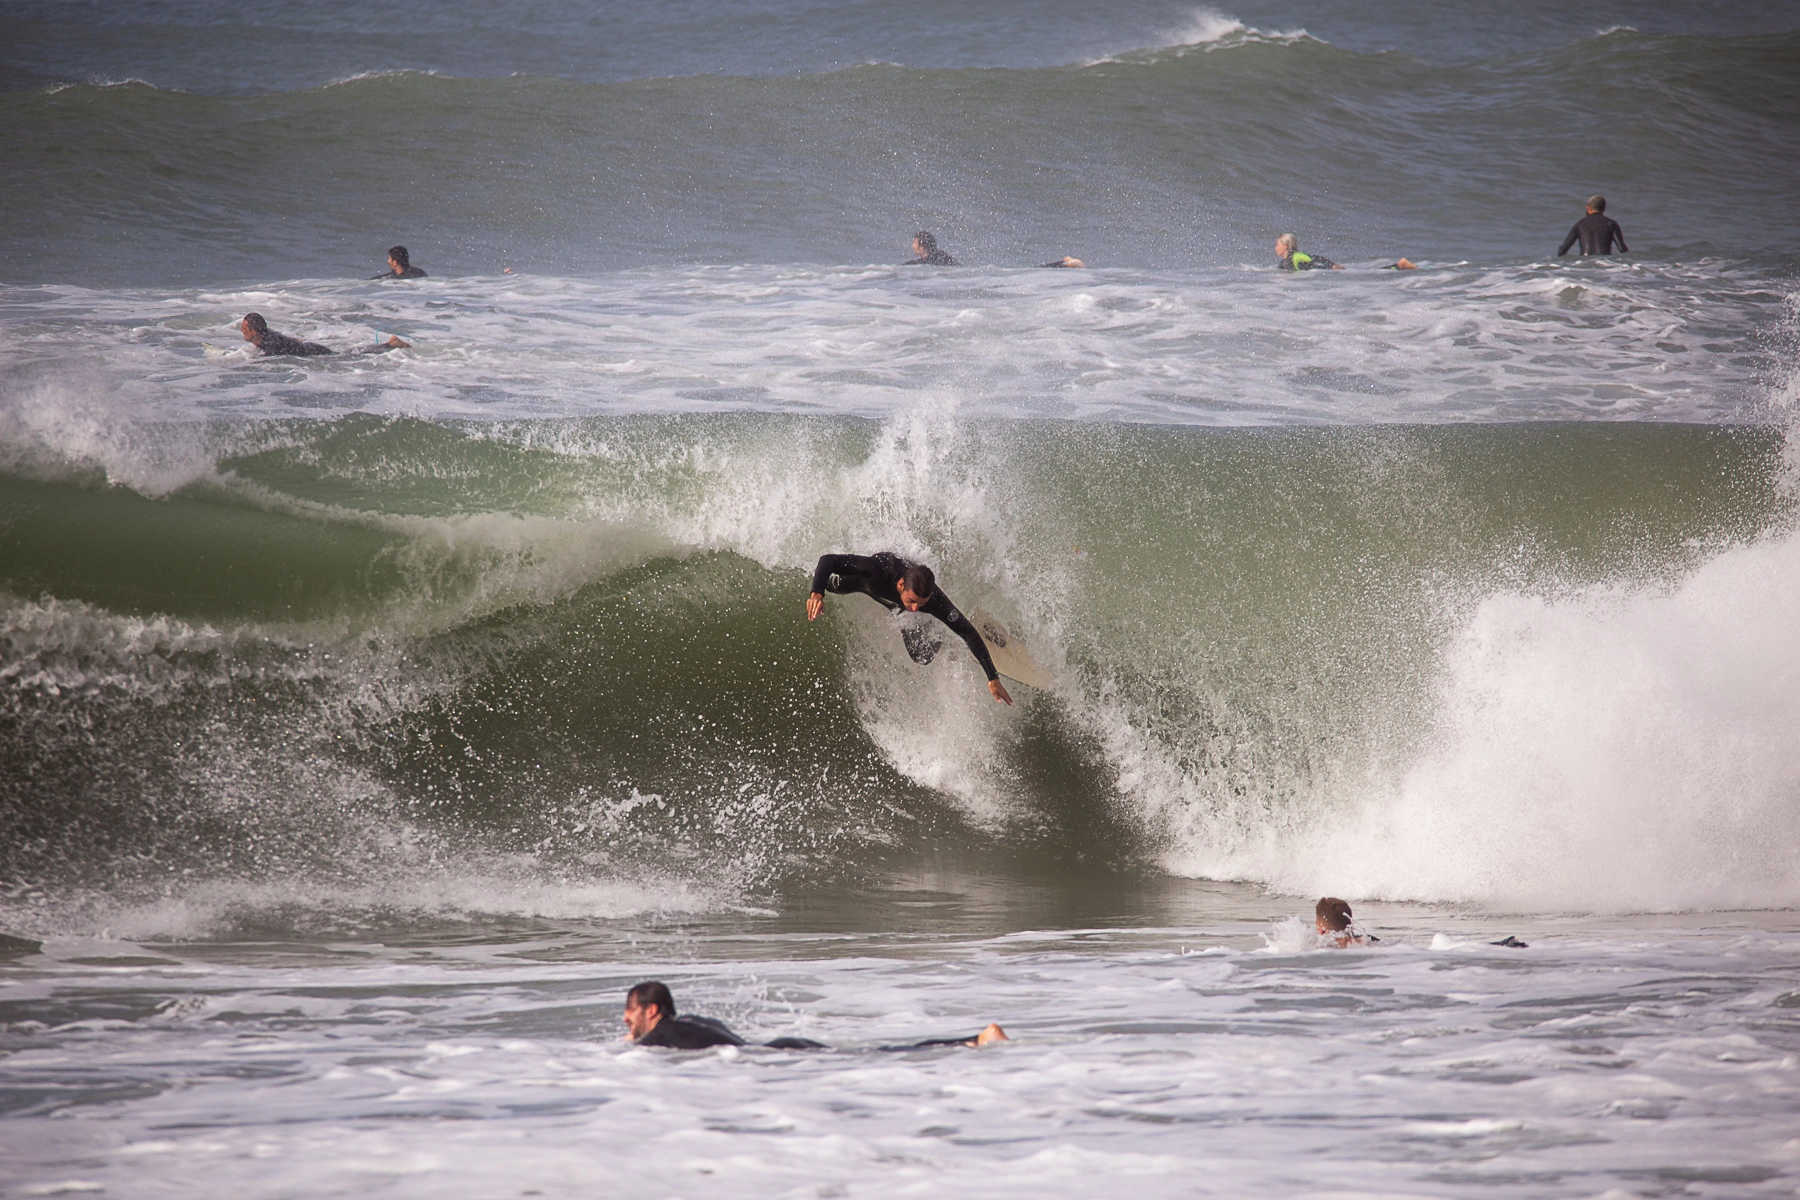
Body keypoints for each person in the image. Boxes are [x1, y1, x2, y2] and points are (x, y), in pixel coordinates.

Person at [807, 552, 1013, 705]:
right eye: (912, 601)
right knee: (830, 584)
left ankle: (963, 632)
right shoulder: (876, 569)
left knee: (922, 656)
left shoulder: (932, 600)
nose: (915, 609)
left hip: (895, 604)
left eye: (921, 604)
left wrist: (993, 677)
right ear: (901, 584)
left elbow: (967, 632)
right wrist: (816, 593)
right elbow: (828, 560)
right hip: (864, 584)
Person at [622, 981, 1008, 1050]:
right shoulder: (691, 1021)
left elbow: (639, 1046)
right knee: (881, 1052)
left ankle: (975, 1040)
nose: (626, 1019)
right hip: (782, 1046)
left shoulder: (660, 1037)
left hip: (778, 1054)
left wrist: (634, 1044)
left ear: (651, 1011)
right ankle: (973, 1040)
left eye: (630, 1010)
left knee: (884, 1054)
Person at [239, 312, 409, 356]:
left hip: (313, 352)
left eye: (244, 328)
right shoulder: (268, 336)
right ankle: (388, 345)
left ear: (254, 332)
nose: (241, 331)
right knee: (350, 353)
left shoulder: (269, 343)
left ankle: (390, 345)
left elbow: (271, 356)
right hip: (310, 348)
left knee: (352, 356)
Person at [1558, 195, 1628, 257]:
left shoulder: (1580, 224)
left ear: (1589, 208)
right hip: (1605, 264)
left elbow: (1563, 250)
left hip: (1584, 265)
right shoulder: (1611, 224)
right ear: (1604, 209)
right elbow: (1622, 249)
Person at [1275, 233, 1343, 271]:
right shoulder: (1283, 262)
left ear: (1286, 246)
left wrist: (1332, 265)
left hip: (1319, 273)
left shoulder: (1297, 256)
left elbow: (1316, 258)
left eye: (1278, 245)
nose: (1276, 248)